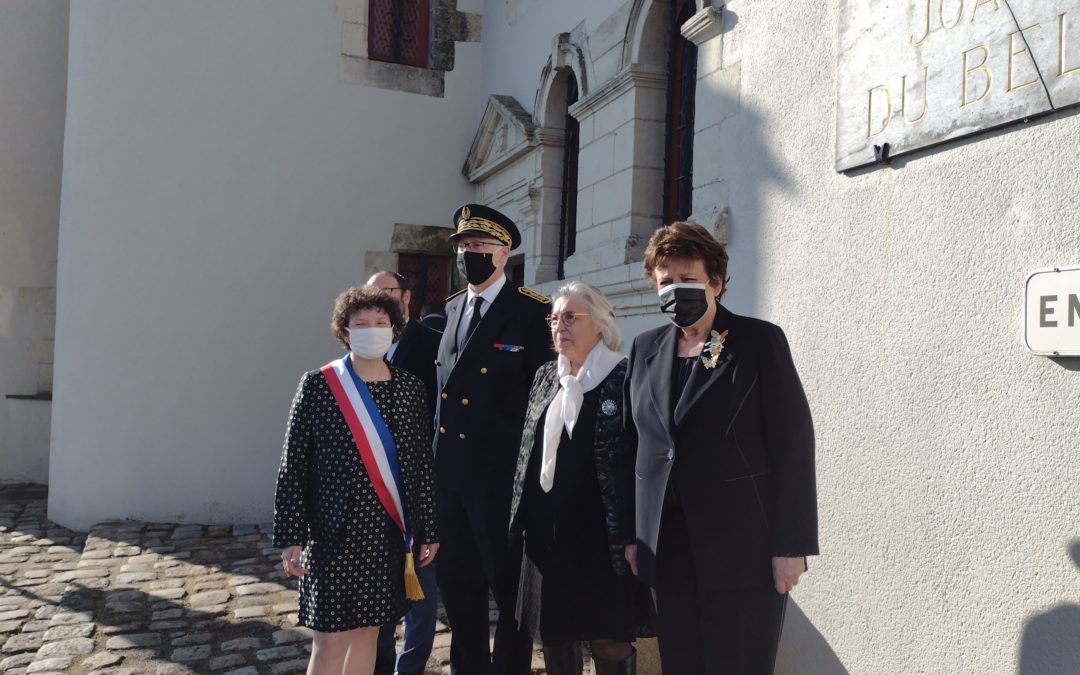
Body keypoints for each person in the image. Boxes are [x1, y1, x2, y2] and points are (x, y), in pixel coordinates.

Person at [620, 222, 818, 674]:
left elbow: (792, 444)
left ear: (716, 282)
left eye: (687, 278)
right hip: (666, 548)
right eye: (666, 281)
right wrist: (632, 536)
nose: (675, 289)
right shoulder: (645, 349)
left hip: (742, 549)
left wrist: (792, 545)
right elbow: (633, 447)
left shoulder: (757, 342)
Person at [273, 286, 440, 675]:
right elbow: (293, 465)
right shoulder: (318, 385)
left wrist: (429, 529)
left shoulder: (410, 389)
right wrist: (291, 537)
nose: (372, 330)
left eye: (381, 322)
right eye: (361, 323)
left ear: (394, 329)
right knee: (330, 642)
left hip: (386, 535)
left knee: (367, 636)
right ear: (344, 331)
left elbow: (421, 465)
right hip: (331, 537)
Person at [434, 203, 553, 675]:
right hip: (451, 480)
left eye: (480, 245)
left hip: (502, 483)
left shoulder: (533, 312)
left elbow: (544, 400)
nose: (470, 254)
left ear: (504, 253)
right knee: (458, 589)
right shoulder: (450, 308)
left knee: (510, 597)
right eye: (464, 246)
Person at [508, 282, 637, 675]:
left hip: (603, 535)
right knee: (555, 633)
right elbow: (528, 449)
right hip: (548, 531)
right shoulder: (547, 375)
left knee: (609, 637)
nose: (558, 326)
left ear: (599, 323)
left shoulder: (626, 376)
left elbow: (637, 459)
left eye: (570, 317)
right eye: (554, 319)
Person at [365, 271, 442, 675]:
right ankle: (378, 663)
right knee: (377, 587)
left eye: (387, 292)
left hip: (416, 486)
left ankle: (409, 667)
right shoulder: (363, 348)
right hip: (373, 490)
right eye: (372, 293)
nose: (379, 298)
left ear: (407, 297)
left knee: (420, 592)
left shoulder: (432, 344)